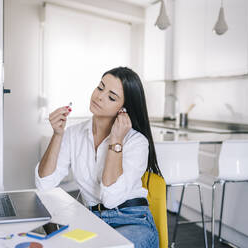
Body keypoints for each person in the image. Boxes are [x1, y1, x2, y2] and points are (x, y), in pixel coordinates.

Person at [35, 67, 161, 248]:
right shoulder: (73, 134)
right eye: (100, 87)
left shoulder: (136, 142)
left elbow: (110, 198)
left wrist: (116, 140)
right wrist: (57, 135)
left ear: (123, 109)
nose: (99, 96)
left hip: (132, 221)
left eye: (111, 97)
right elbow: (44, 184)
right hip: (93, 220)